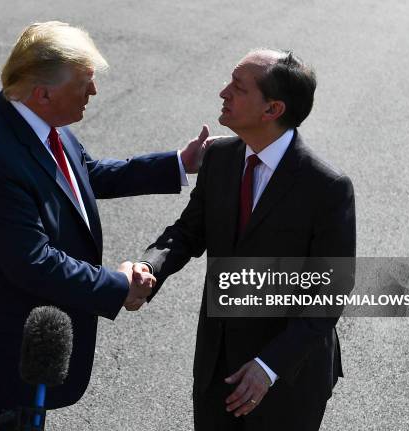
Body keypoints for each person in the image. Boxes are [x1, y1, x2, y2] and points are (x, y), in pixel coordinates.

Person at [0, 21, 211, 427]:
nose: (93, 93)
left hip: (21, 352)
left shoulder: (28, 118)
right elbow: (34, 262)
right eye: (84, 84)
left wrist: (178, 164)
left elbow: (85, 174)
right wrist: (117, 286)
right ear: (44, 93)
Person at [137, 49, 356, 430]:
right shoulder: (220, 157)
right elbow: (188, 232)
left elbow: (330, 291)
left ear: (272, 110)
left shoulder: (326, 187)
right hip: (216, 367)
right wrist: (148, 266)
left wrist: (268, 366)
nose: (224, 92)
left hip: (286, 377)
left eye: (237, 87)